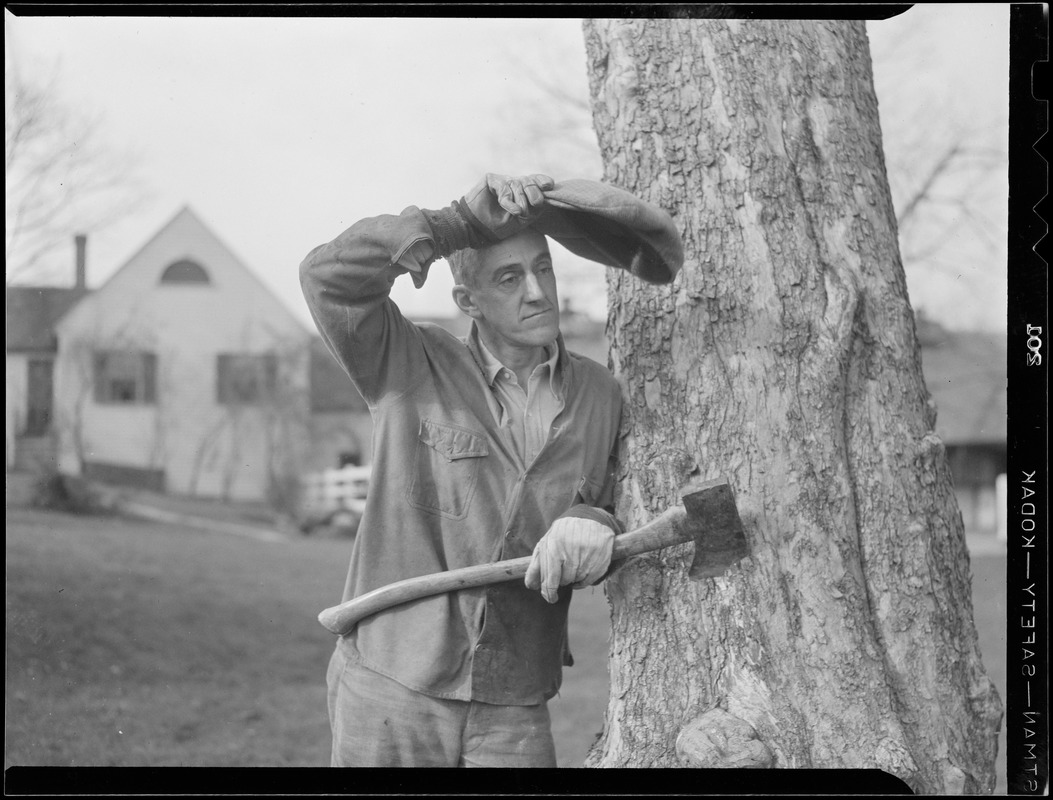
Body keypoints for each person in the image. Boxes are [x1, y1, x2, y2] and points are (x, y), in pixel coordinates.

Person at [300, 173, 681, 768]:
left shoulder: (601, 394)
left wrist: (588, 519)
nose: (537, 292)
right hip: (391, 685)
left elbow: (606, 499)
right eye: (509, 278)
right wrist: (454, 224)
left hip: (515, 702)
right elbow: (327, 279)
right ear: (468, 302)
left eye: (543, 269)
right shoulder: (407, 363)